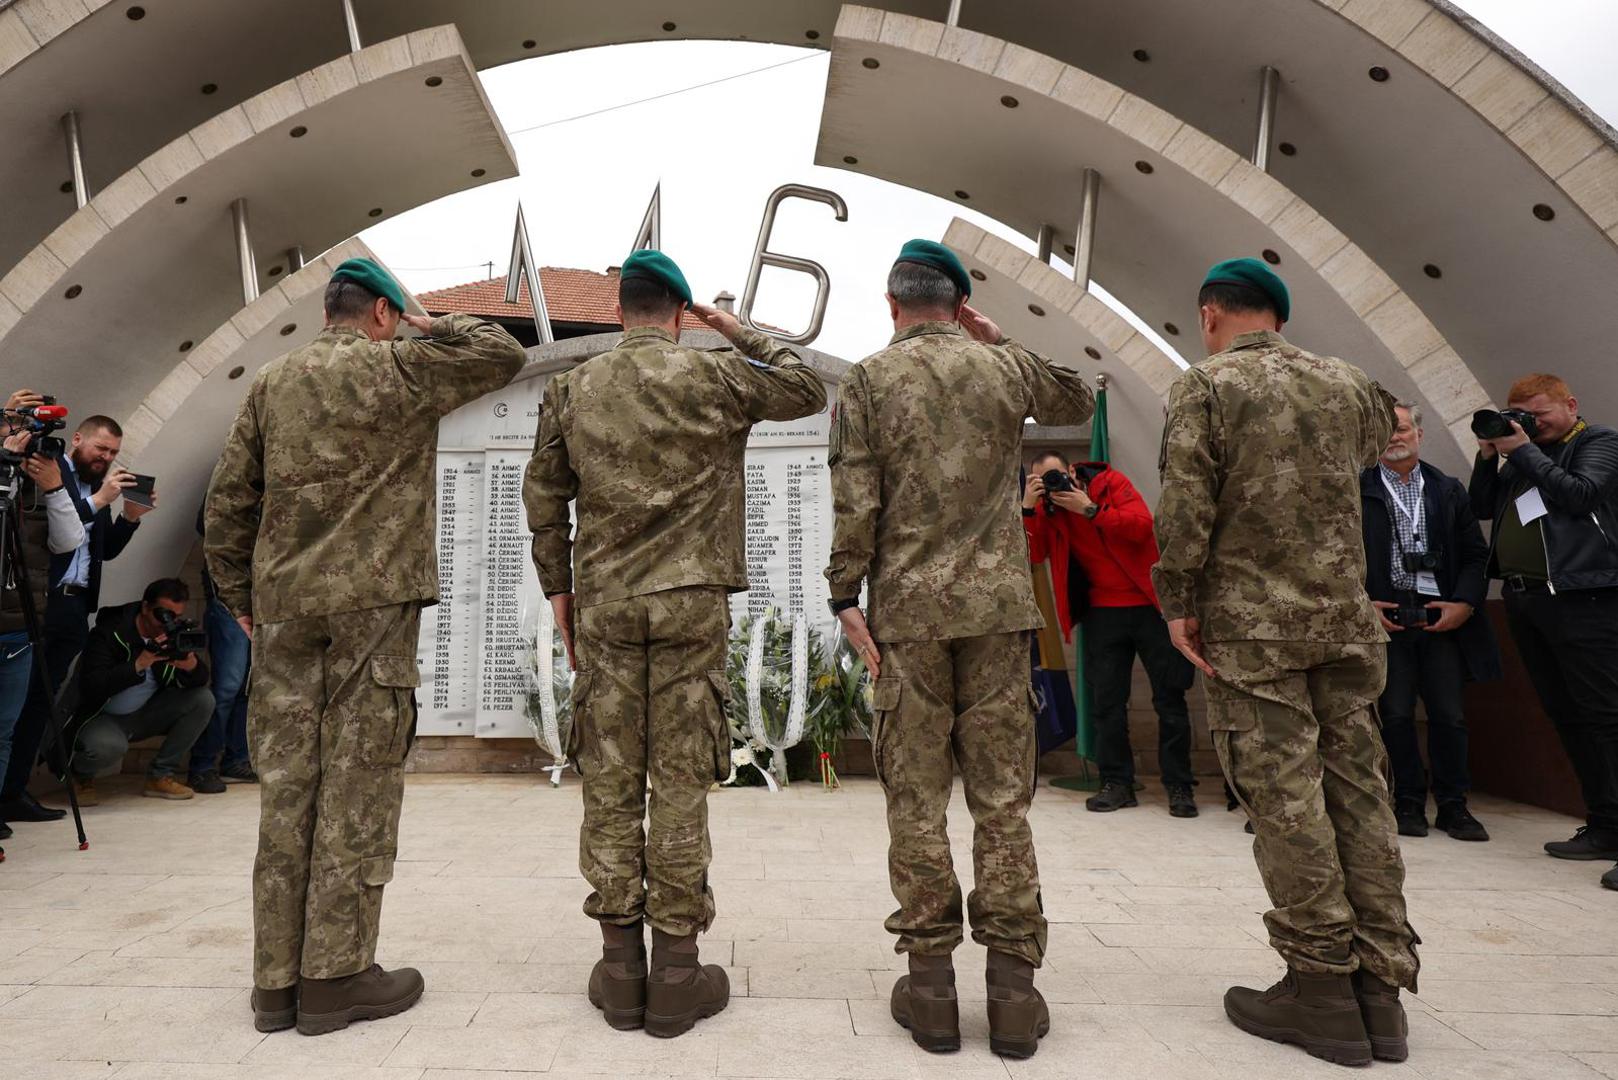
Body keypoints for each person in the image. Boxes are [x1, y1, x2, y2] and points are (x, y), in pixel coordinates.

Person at [207, 257, 524, 1035]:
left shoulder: (273, 384)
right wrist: (428, 323)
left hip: (285, 613)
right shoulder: (404, 369)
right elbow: (503, 353)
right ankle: (336, 978)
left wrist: (244, 602)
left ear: (329, 311)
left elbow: (226, 505)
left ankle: (275, 985)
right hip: (372, 611)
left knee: (288, 793)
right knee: (355, 792)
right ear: (380, 312)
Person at [523, 249, 825, 1038]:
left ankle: (621, 970)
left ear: (619, 309)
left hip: (608, 605)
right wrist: (738, 330)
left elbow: (545, 496)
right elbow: (805, 386)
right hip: (692, 604)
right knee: (681, 780)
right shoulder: (716, 375)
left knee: (612, 779)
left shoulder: (571, 386)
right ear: (681, 313)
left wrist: (560, 590)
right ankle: (679, 972)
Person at [825, 240, 1094, 1059]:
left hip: (907, 618)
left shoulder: (871, 379)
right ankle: (1013, 995)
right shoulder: (999, 368)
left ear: (891, 302)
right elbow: (1076, 399)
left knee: (915, 799)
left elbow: (855, 494)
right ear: (957, 302)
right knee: (1002, 801)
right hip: (997, 617)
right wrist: (998, 336)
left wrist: (845, 593)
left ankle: (933, 989)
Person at [1155, 258, 1415, 1066]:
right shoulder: (1348, 384)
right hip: (1343, 624)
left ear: (1211, 316)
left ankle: (1321, 989)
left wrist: (1178, 599)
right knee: (1360, 792)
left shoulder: (1206, 386)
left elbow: (1187, 502)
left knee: (1286, 798)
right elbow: (1395, 433)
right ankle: (1382, 991)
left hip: (1253, 627)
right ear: (1279, 315)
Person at [1468, 374, 1618, 889]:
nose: (1530, 422)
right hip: (1529, 600)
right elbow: (1481, 508)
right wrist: (1489, 456)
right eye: (1519, 414)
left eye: (1538, 413)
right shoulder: (1522, 458)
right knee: (1569, 717)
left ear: (1570, 405)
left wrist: (1524, 449)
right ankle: (1604, 825)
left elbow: (1580, 495)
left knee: (1608, 718)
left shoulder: (1598, 442)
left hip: (1586, 598)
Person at [1022, 451, 1197, 817]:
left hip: (1151, 607)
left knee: (1170, 699)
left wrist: (1090, 509)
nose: (1054, 485)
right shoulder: (1048, 511)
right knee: (1106, 705)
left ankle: (1179, 786)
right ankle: (1116, 783)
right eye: (1042, 481)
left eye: (1055, 476)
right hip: (1102, 615)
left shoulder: (1109, 484)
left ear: (1071, 470)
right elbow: (1033, 554)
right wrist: (1029, 506)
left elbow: (1141, 526)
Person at [0, 413, 153, 825]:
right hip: (42, 603)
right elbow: (58, 533)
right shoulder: (51, 473)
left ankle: (13, 791)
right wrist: (101, 499)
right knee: (13, 704)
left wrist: (131, 517)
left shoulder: (91, 486)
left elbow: (100, 551)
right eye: (100, 449)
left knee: (40, 703)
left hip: (75, 607)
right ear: (79, 440)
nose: (106, 458)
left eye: (114, 453)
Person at [1362, 403, 1500, 842]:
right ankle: (1407, 801)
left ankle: (1455, 806)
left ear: (1419, 434)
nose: (1394, 436)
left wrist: (1464, 603)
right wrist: (1364, 605)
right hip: (1387, 617)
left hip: (1441, 616)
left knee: (1449, 715)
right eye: (1384, 430)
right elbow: (1338, 558)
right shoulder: (1356, 490)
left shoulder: (1448, 489)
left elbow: (1477, 556)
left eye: (1401, 428)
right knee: (1396, 713)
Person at [0, 389, 88, 841]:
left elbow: (71, 539)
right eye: (17, 426)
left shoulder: (43, 478)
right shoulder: (5, 473)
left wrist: (53, 485)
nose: (27, 441)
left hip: (19, 626)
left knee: (5, 728)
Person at [66, 578, 212, 801]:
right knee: (109, 746)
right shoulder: (110, 633)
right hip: (102, 716)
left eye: (175, 617)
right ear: (145, 607)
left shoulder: (169, 636)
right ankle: (81, 776)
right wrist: (139, 664)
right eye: (163, 615)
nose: (167, 623)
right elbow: (93, 685)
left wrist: (190, 665)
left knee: (203, 699)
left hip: (144, 714)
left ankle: (160, 776)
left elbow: (199, 679)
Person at [187, 502, 254, 794]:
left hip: (263, 601)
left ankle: (236, 759)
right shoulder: (233, 479)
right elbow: (207, 526)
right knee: (227, 688)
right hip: (230, 601)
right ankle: (202, 765)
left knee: (247, 688)